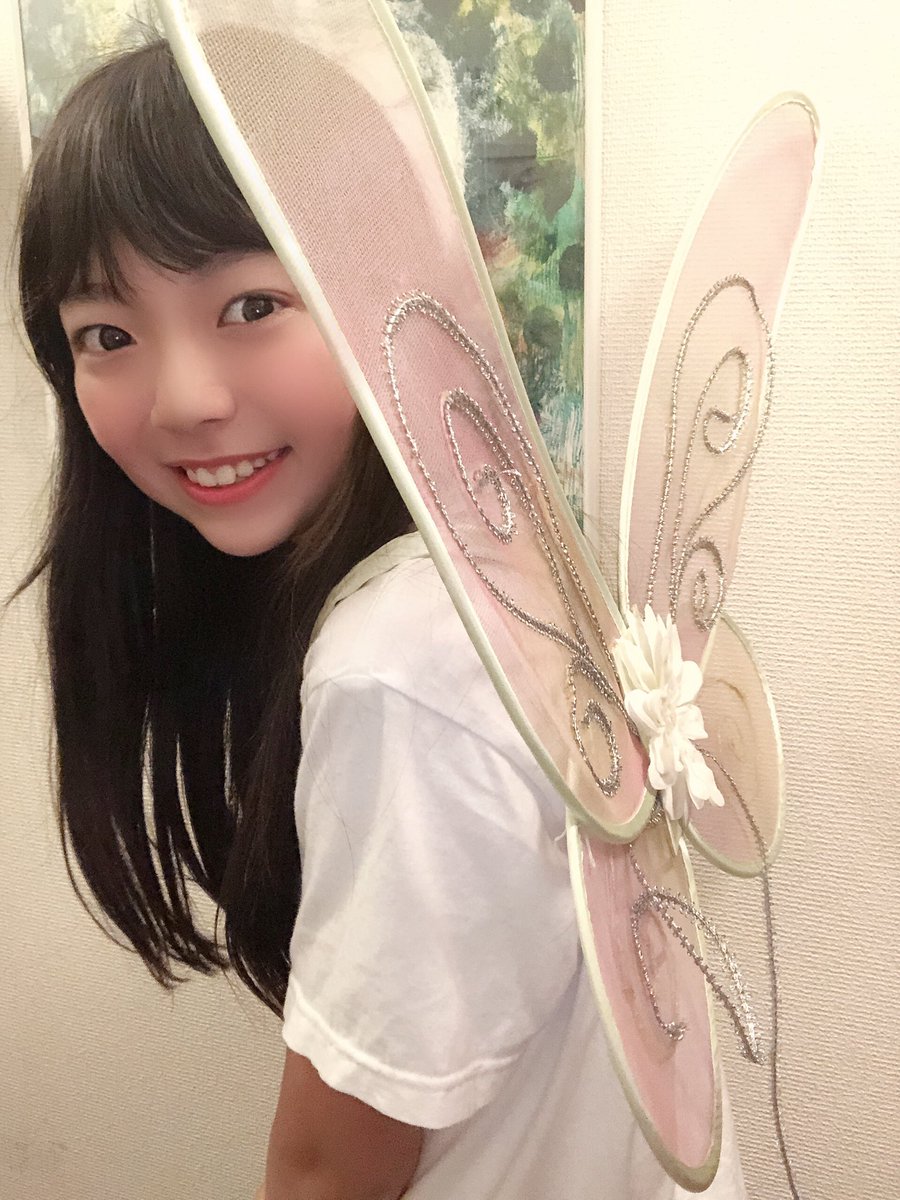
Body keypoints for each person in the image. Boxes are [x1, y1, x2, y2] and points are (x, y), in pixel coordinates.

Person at [14, 38, 746, 1200]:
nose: (185, 398)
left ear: (382, 283)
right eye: (108, 334)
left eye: (253, 304)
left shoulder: (396, 664)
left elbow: (326, 1173)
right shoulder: (494, 553)